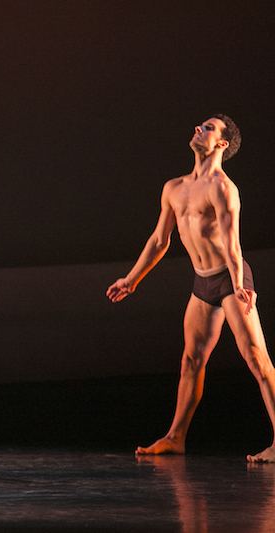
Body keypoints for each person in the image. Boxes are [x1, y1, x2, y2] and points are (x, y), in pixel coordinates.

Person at [106, 114, 275, 462]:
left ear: (222, 145)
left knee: (258, 360)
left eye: (209, 128)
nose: (200, 129)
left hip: (230, 278)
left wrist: (242, 285)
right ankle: (175, 438)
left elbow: (232, 245)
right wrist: (132, 279)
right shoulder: (174, 188)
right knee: (191, 360)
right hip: (203, 281)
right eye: (201, 125)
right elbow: (159, 240)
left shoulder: (222, 188)